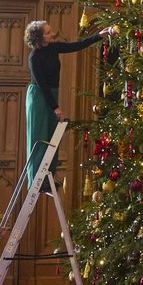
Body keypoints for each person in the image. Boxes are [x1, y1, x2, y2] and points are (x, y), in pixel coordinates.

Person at [25, 21, 107, 189]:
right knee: (39, 136)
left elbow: (76, 46)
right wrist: (55, 107)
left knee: (52, 134)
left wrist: (98, 36)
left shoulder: (53, 47)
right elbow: (42, 85)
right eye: (47, 33)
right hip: (39, 96)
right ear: (38, 38)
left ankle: (48, 177)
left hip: (51, 93)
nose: (51, 34)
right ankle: (36, 179)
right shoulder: (34, 57)